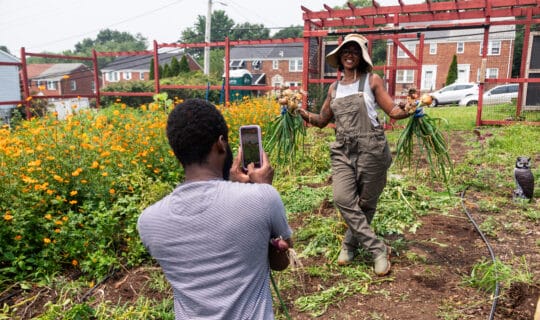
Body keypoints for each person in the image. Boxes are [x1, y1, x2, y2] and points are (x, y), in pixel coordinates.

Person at [137, 98, 293, 319]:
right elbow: (281, 260)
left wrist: (238, 189)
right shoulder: (263, 198)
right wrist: (261, 190)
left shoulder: (149, 221)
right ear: (221, 143)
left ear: (176, 151)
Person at [297, 34, 413, 276]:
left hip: (372, 149)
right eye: (345, 51)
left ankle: (349, 245)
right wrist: (298, 111)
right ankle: (377, 249)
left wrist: (409, 109)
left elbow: (392, 110)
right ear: (339, 56)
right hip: (344, 149)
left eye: (355, 51)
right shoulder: (334, 88)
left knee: (366, 204)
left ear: (362, 56)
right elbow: (321, 121)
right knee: (341, 198)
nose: (350, 54)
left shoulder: (372, 81)